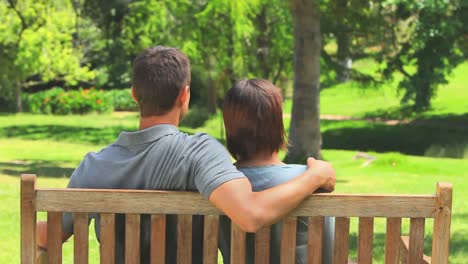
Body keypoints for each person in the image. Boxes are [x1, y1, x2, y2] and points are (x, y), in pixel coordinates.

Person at [36, 46, 336, 263]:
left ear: (134, 94)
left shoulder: (93, 166)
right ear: (184, 95)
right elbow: (250, 214)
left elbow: (48, 237)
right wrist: (314, 176)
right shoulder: (199, 153)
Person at [219, 78, 334, 264]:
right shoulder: (313, 180)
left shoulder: (220, 188)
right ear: (277, 125)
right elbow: (329, 254)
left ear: (230, 130)